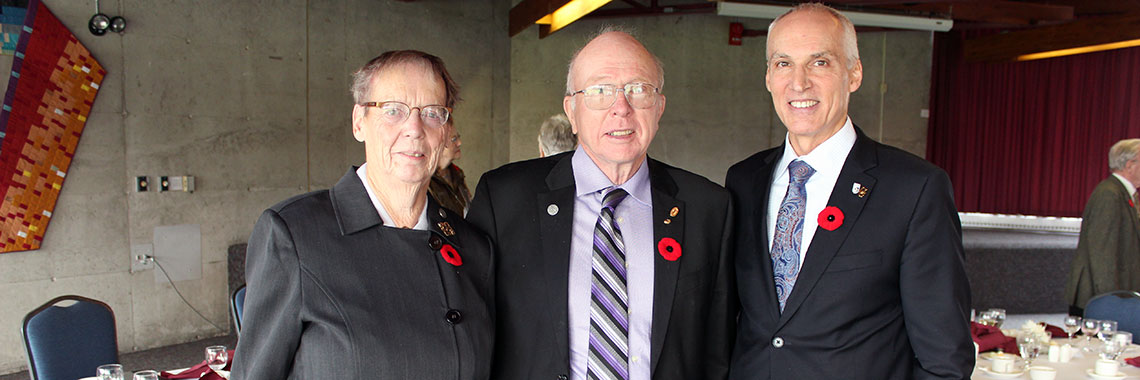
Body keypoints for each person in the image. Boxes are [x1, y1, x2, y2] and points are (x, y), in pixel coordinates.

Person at [468, 28, 736, 380]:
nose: (620, 108)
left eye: (638, 90)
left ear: (659, 107)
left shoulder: (708, 208)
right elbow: (471, 336)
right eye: (599, 92)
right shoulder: (504, 199)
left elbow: (717, 352)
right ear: (572, 111)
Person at [724, 4, 973, 379]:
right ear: (768, 77)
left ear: (854, 73)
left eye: (820, 62)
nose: (799, 82)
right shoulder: (743, 181)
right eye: (783, 63)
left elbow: (944, 358)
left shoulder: (914, 188)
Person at [231, 50, 493, 380]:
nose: (414, 128)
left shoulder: (473, 246)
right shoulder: (295, 236)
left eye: (431, 113)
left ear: (445, 130)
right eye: (393, 110)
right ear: (359, 122)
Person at [1065, 138, 1140, 315]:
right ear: (1130, 165)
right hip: (1099, 299)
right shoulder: (1109, 195)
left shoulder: (1122, 193)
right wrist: (1110, 303)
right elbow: (1102, 254)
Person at [430, 122, 472, 214]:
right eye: (454, 139)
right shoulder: (426, 182)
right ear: (439, 145)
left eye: (458, 137)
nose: (459, 143)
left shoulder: (457, 174)